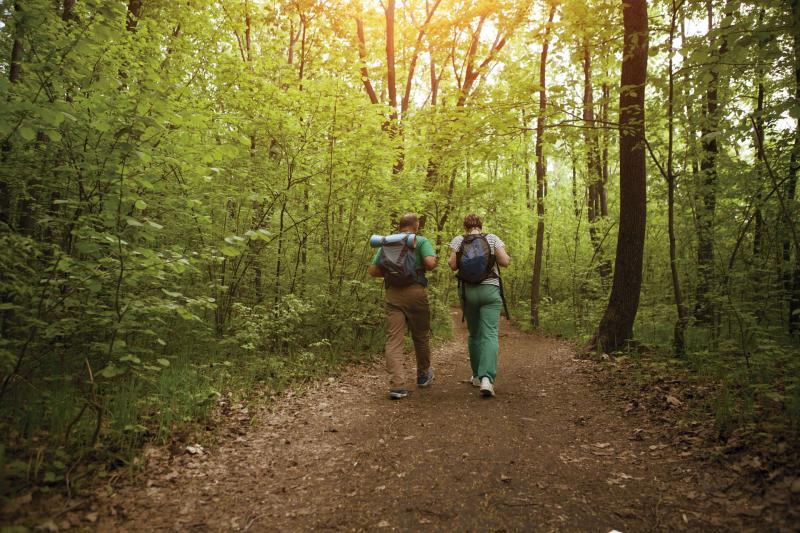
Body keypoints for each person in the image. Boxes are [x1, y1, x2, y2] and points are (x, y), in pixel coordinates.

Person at [368, 213, 437, 399]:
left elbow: (373, 271)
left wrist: (392, 270)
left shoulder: (387, 243)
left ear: (400, 227)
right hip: (416, 293)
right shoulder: (420, 241)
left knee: (394, 340)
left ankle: (397, 385)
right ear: (416, 227)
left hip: (393, 295)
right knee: (421, 336)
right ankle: (423, 376)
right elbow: (430, 264)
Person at [448, 214, 511, 397]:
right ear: (480, 226)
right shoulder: (491, 238)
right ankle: (487, 379)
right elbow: (505, 262)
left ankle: (476, 375)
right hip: (490, 290)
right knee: (490, 334)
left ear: (465, 226)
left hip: (468, 293)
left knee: (474, 334)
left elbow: (453, 265)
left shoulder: (458, 240)